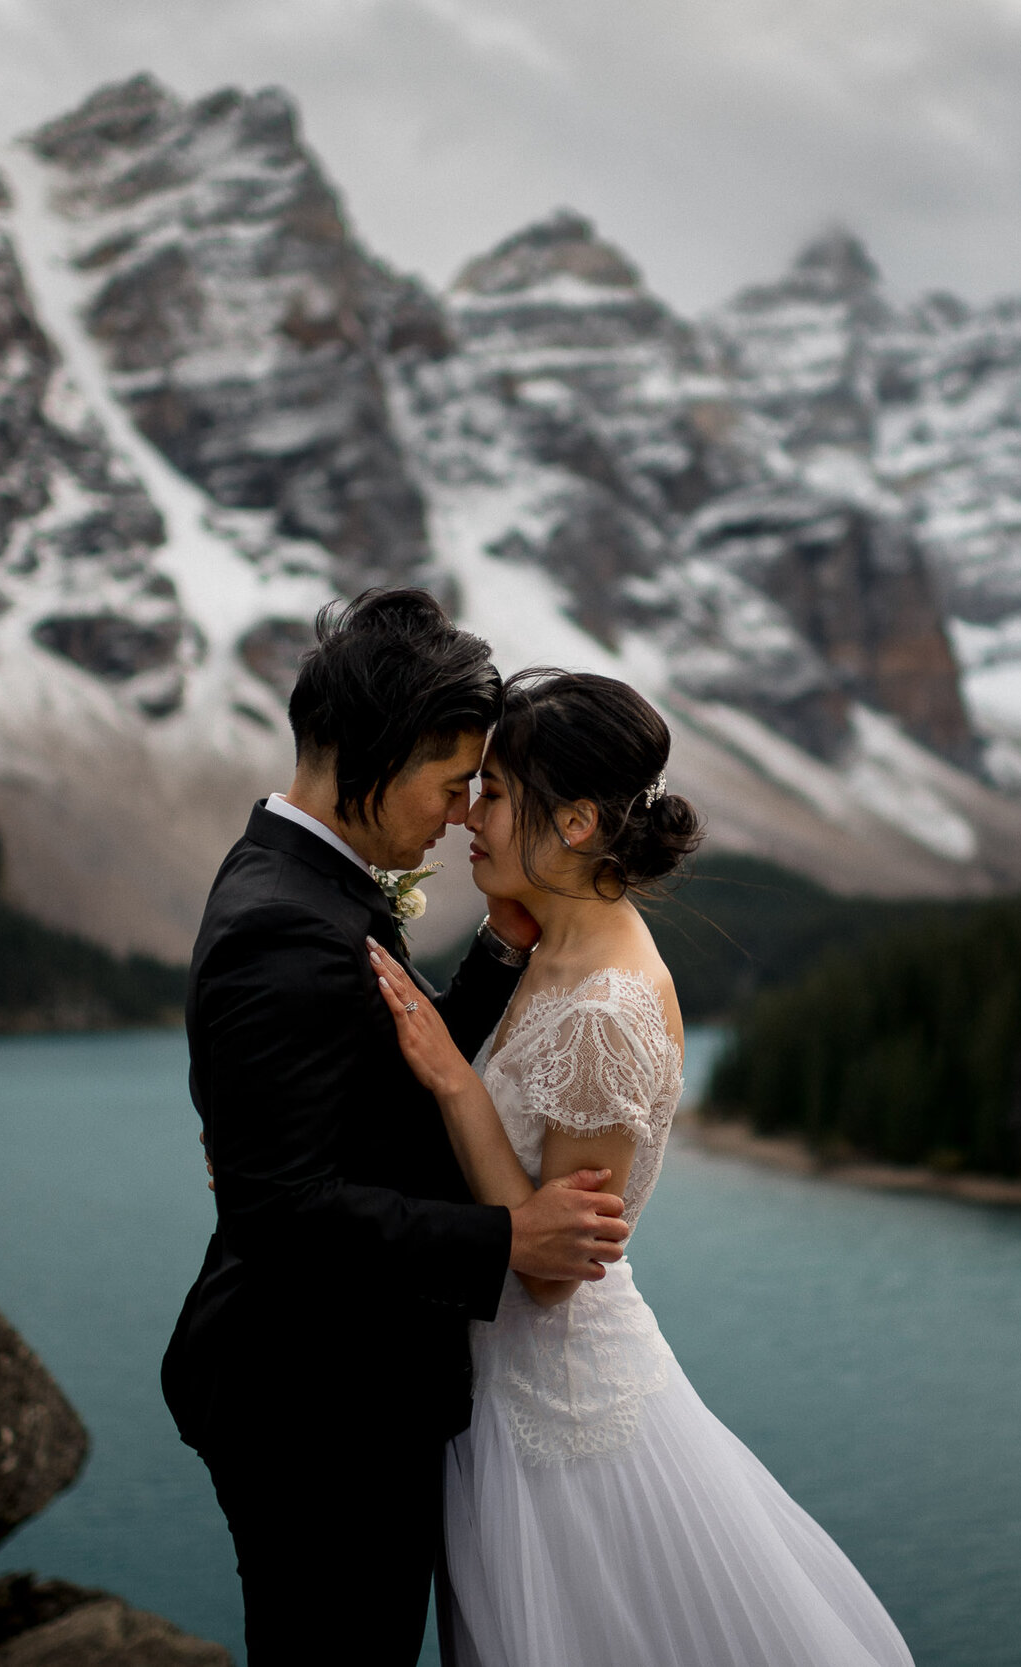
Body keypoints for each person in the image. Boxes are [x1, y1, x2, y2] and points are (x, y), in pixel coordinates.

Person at [367, 668, 916, 1667]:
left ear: (575, 822)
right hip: (502, 1396)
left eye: (493, 792)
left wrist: (456, 1083)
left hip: (562, 1418)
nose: (468, 816)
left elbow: (545, 1260)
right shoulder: (548, 950)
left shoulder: (607, 1011)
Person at [162, 590, 637, 1667]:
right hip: (314, 1406)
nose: (464, 809)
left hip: (334, 1381)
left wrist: (499, 957)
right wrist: (508, 1241)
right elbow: (278, 1213)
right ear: (373, 754)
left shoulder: (303, 883)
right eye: (452, 779)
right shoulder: (283, 928)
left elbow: (383, 1071)